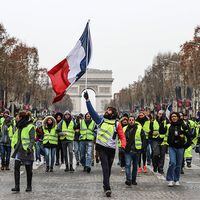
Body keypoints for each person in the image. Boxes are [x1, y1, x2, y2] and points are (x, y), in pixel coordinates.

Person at [84, 91, 126, 197]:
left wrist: (123, 145)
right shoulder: (100, 120)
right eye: (107, 110)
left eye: (109, 110)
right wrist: (87, 100)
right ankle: (107, 187)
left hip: (111, 149)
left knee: (109, 169)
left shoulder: (117, 123)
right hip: (101, 147)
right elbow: (92, 112)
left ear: (113, 113)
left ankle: (105, 183)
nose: (107, 111)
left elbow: (122, 136)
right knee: (105, 168)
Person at [11, 111, 35, 192]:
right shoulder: (19, 127)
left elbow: (32, 139)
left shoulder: (30, 127)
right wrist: (14, 145)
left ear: (22, 118)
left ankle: (29, 186)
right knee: (16, 168)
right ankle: (17, 186)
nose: (17, 119)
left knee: (28, 170)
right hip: (19, 151)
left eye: (18, 117)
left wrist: (29, 148)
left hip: (27, 151)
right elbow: (15, 137)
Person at [166, 112, 191, 187]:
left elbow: (189, 135)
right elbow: (165, 134)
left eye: (175, 116)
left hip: (180, 147)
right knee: (172, 162)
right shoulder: (169, 126)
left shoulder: (183, 126)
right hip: (172, 147)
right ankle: (170, 179)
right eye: (172, 116)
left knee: (178, 165)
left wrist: (186, 144)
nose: (174, 118)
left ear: (178, 117)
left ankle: (176, 180)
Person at [124, 116, 146, 186]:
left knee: (135, 166)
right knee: (127, 165)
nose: (131, 121)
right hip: (128, 150)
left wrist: (143, 148)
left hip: (137, 150)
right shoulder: (124, 129)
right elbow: (121, 139)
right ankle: (129, 179)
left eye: (132, 120)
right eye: (129, 120)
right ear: (128, 121)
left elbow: (143, 138)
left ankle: (134, 180)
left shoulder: (139, 128)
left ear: (134, 121)